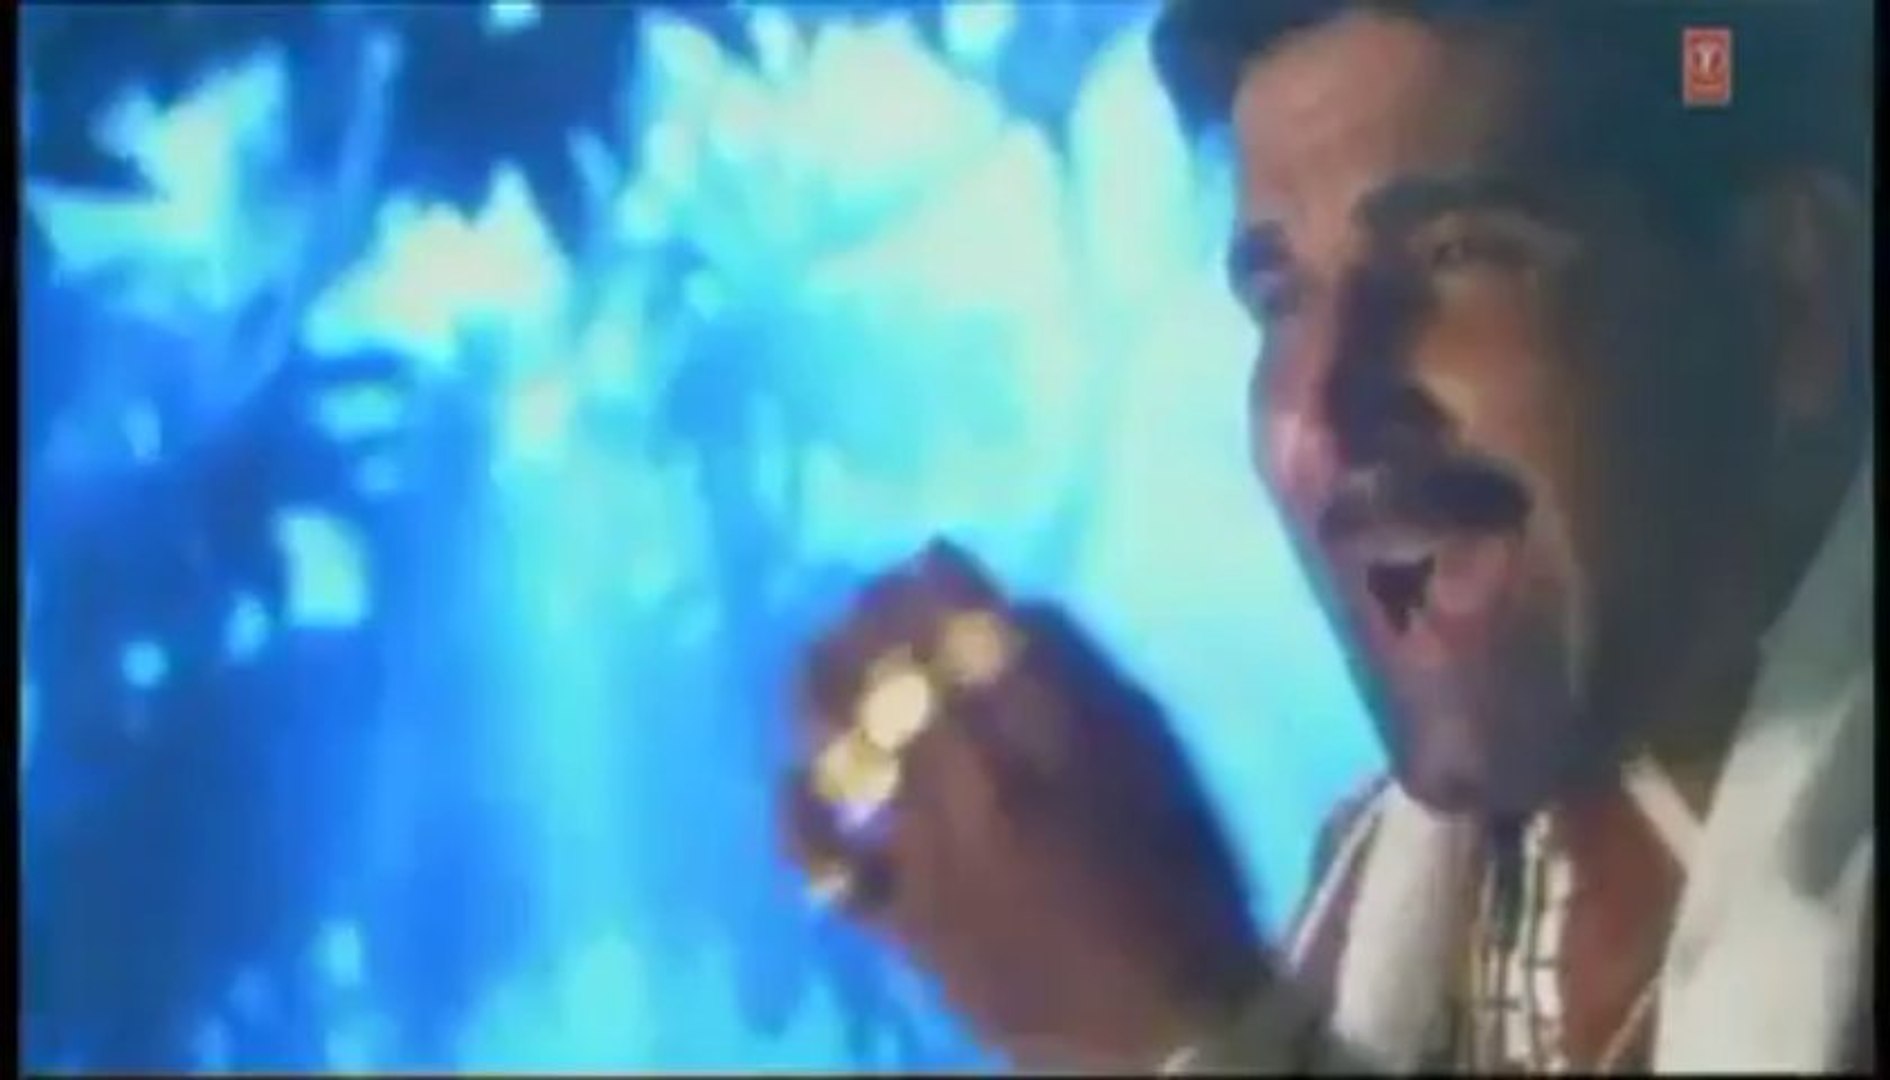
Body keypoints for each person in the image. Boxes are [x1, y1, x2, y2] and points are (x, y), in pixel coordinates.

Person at [775, 0, 1872, 1073]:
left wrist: (1180, 1033)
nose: (1319, 414)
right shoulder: (1391, 907)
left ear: (1791, 297)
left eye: (1458, 254)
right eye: (1281, 300)